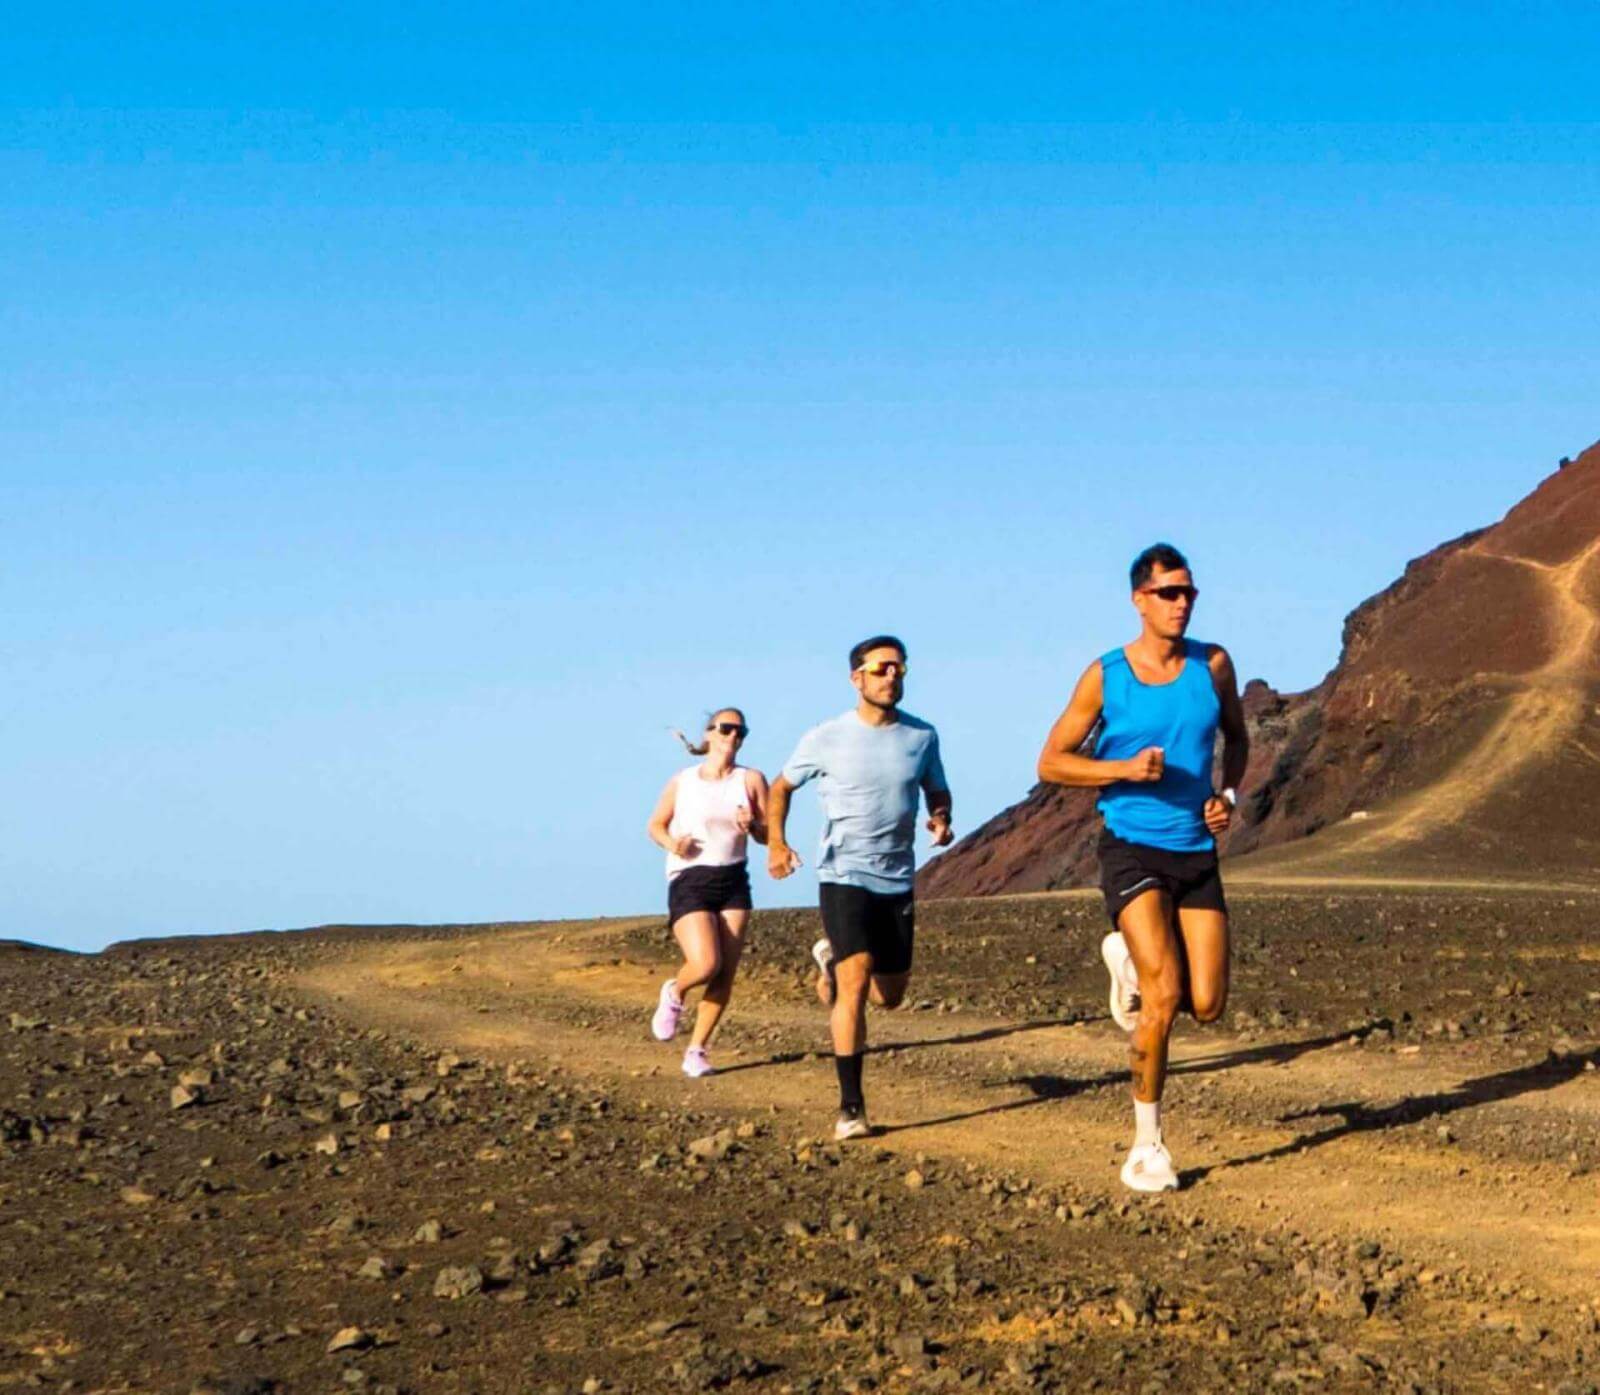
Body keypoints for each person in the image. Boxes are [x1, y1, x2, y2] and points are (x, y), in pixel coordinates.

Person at [1036, 544, 1248, 1191]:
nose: (1182, 603)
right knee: (1162, 995)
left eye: (1188, 593)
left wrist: (1227, 797)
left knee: (1206, 1003)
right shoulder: (1108, 676)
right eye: (1168, 593)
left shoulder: (1213, 665)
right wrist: (1122, 769)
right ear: (1139, 598)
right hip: (1129, 845)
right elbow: (1051, 761)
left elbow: (1237, 738)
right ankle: (1146, 1147)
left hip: (1195, 849)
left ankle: (1124, 956)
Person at [767, 636, 953, 1140]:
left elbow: (936, 786)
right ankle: (851, 1108)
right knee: (855, 982)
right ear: (857, 678)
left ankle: (827, 958)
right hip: (843, 873)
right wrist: (777, 845)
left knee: (888, 996)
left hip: (897, 878)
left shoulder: (922, 736)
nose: (892, 677)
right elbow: (780, 787)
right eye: (882, 669)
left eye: (899, 669)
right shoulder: (826, 737)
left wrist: (940, 817)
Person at [645, 708, 769, 1077]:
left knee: (724, 973)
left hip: (733, 879)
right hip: (690, 877)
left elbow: (767, 834)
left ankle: (697, 1050)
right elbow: (655, 824)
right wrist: (672, 843)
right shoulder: (683, 781)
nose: (734, 736)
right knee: (705, 963)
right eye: (727, 729)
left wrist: (753, 827)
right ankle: (675, 990)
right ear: (710, 733)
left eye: (740, 731)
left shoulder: (751, 779)